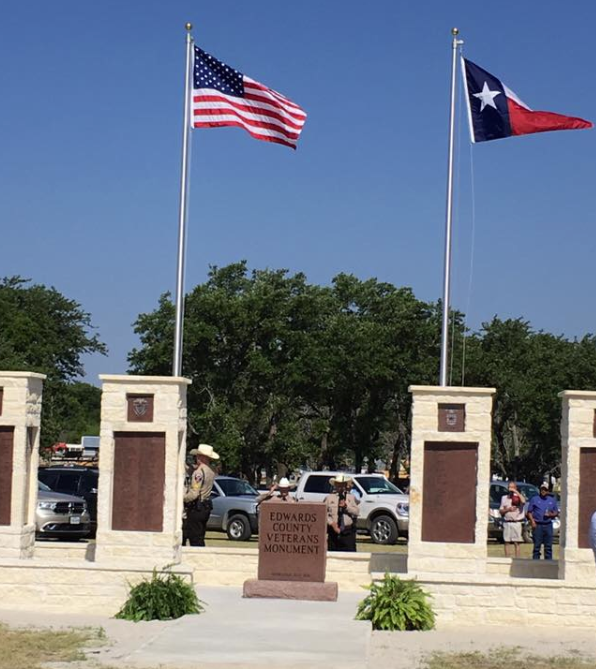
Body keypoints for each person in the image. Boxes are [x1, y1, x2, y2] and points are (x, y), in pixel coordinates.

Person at [183, 443, 219, 547]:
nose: (196, 458)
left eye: (198, 456)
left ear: (202, 457)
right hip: (206, 507)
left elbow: (194, 493)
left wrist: (183, 498)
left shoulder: (198, 473)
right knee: (200, 535)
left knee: (194, 537)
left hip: (196, 508)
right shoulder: (211, 471)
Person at [324, 474, 360, 552]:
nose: (340, 487)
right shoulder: (329, 498)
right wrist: (332, 523)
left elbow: (356, 512)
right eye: (338, 484)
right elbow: (324, 513)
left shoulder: (351, 497)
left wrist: (347, 507)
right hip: (333, 532)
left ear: (345, 485)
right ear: (335, 485)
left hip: (347, 532)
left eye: (342, 484)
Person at [527, 483, 559, 560]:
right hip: (538, 525)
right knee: (537, 546)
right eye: (542, 489)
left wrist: (551, 514)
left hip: (548, 525)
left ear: (548, 491)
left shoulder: (552, 500)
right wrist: (533, 522)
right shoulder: (534, 499)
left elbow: (556, 512)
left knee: (548, 547)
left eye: (545, 490)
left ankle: (548, 563)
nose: (543, 491)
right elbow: (529, 512)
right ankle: (535, 563)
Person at [499, 482, 526, 557]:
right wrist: (508, 509)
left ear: (515, 487)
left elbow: (523, 501)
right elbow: (501, 511)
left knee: (517, 542)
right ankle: (507, 558)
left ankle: (517, 559)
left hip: (516, 522)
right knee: (506, 542)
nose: (510, 489)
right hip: (507, 522)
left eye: (512, 487)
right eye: (509, 487)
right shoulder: (504, 498)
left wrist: (516, 492)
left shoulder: (519, 498)